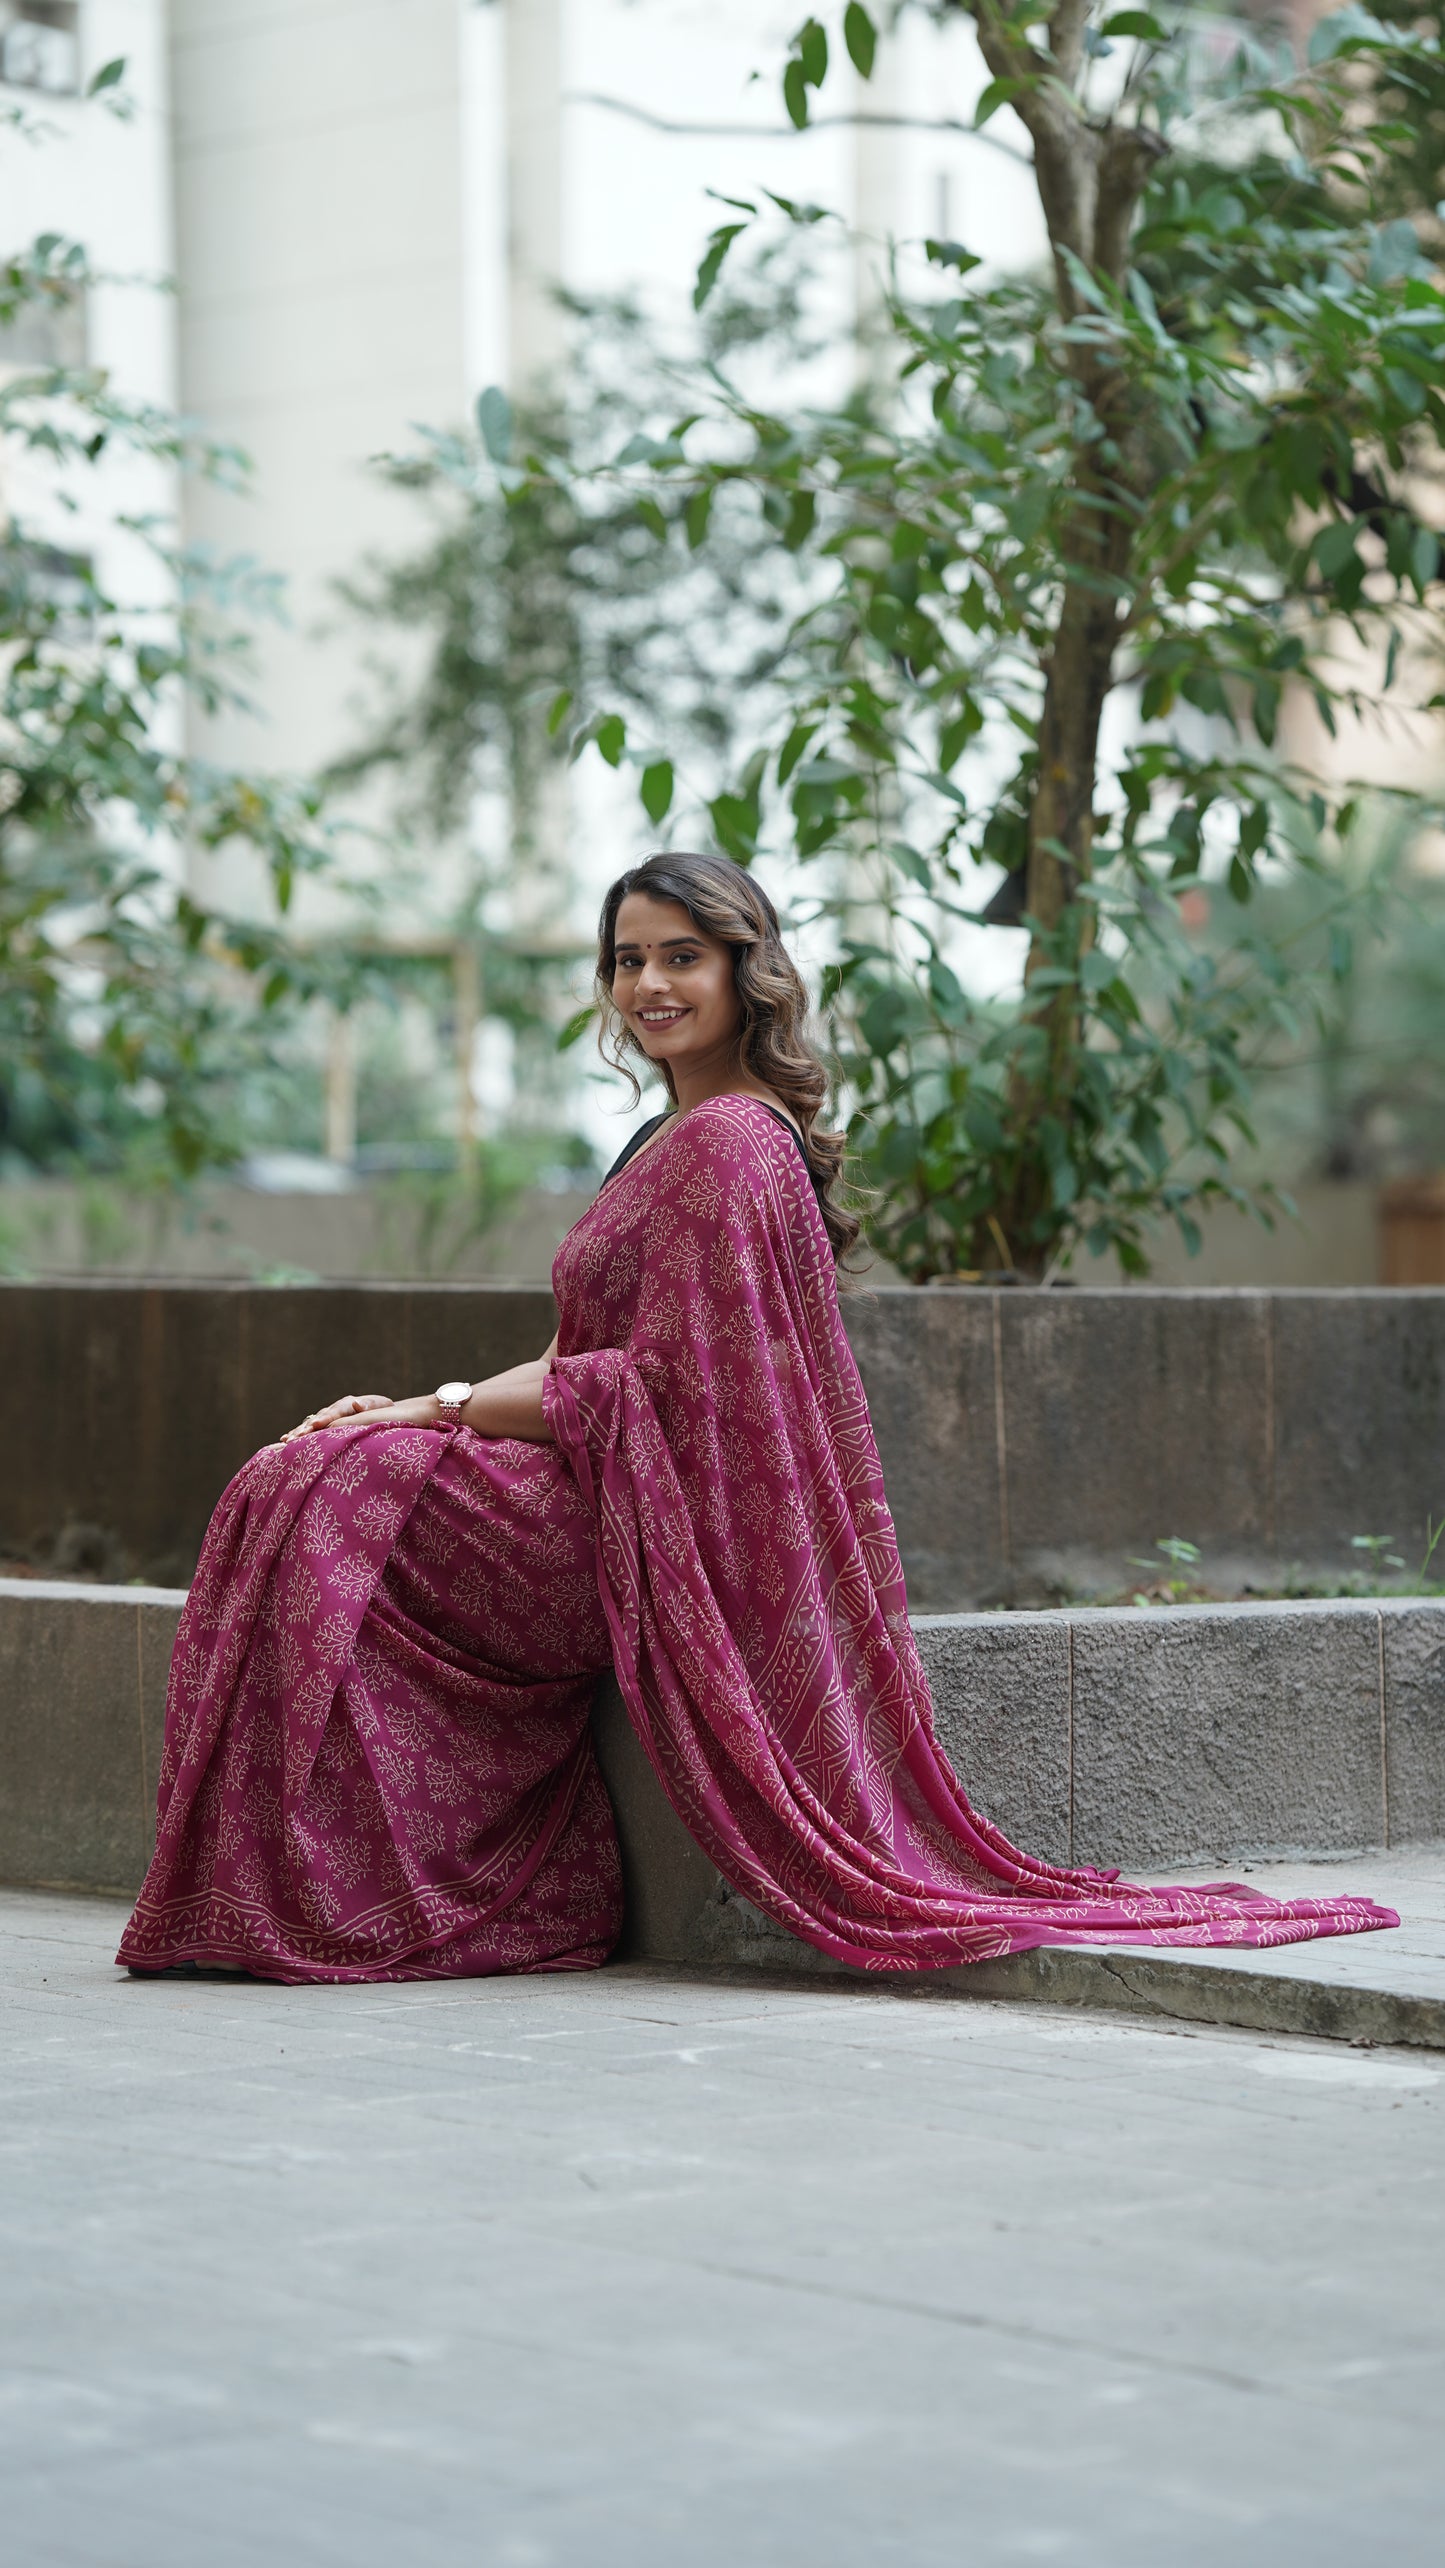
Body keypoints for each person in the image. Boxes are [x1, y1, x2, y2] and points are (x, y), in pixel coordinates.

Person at [118, 853, 1397, 1981]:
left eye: (682, 956)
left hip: (641, 1523)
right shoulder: (659, 1141)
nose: (647, 985)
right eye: (626, 960)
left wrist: (432, 1409)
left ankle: (375, 1894)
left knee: (321, 1490)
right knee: (304, 1472)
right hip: (591, 1478)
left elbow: (660, 1391)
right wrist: (416, 1414)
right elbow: (577, 1355)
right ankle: (356, 1882)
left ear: (747, 972)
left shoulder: (734, 1144)